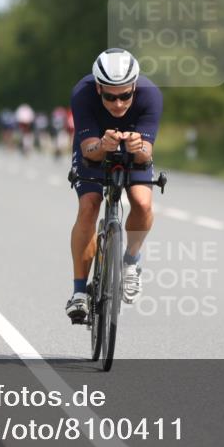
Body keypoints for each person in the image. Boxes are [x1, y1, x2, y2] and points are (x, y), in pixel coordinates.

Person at [65, 48, 163, 323]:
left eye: (125, 96)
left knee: (142, 203)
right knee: (89, 205)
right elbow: (88, 151)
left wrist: (137, 147)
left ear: (134, 86)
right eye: (109, 96)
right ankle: (79, 293)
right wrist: (103, 146)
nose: (118, 104)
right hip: (95, 146)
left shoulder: (151, 94)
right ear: (98, 88)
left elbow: (146, 153)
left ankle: (131, 261)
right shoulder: (82, 93)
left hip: (135, 146)